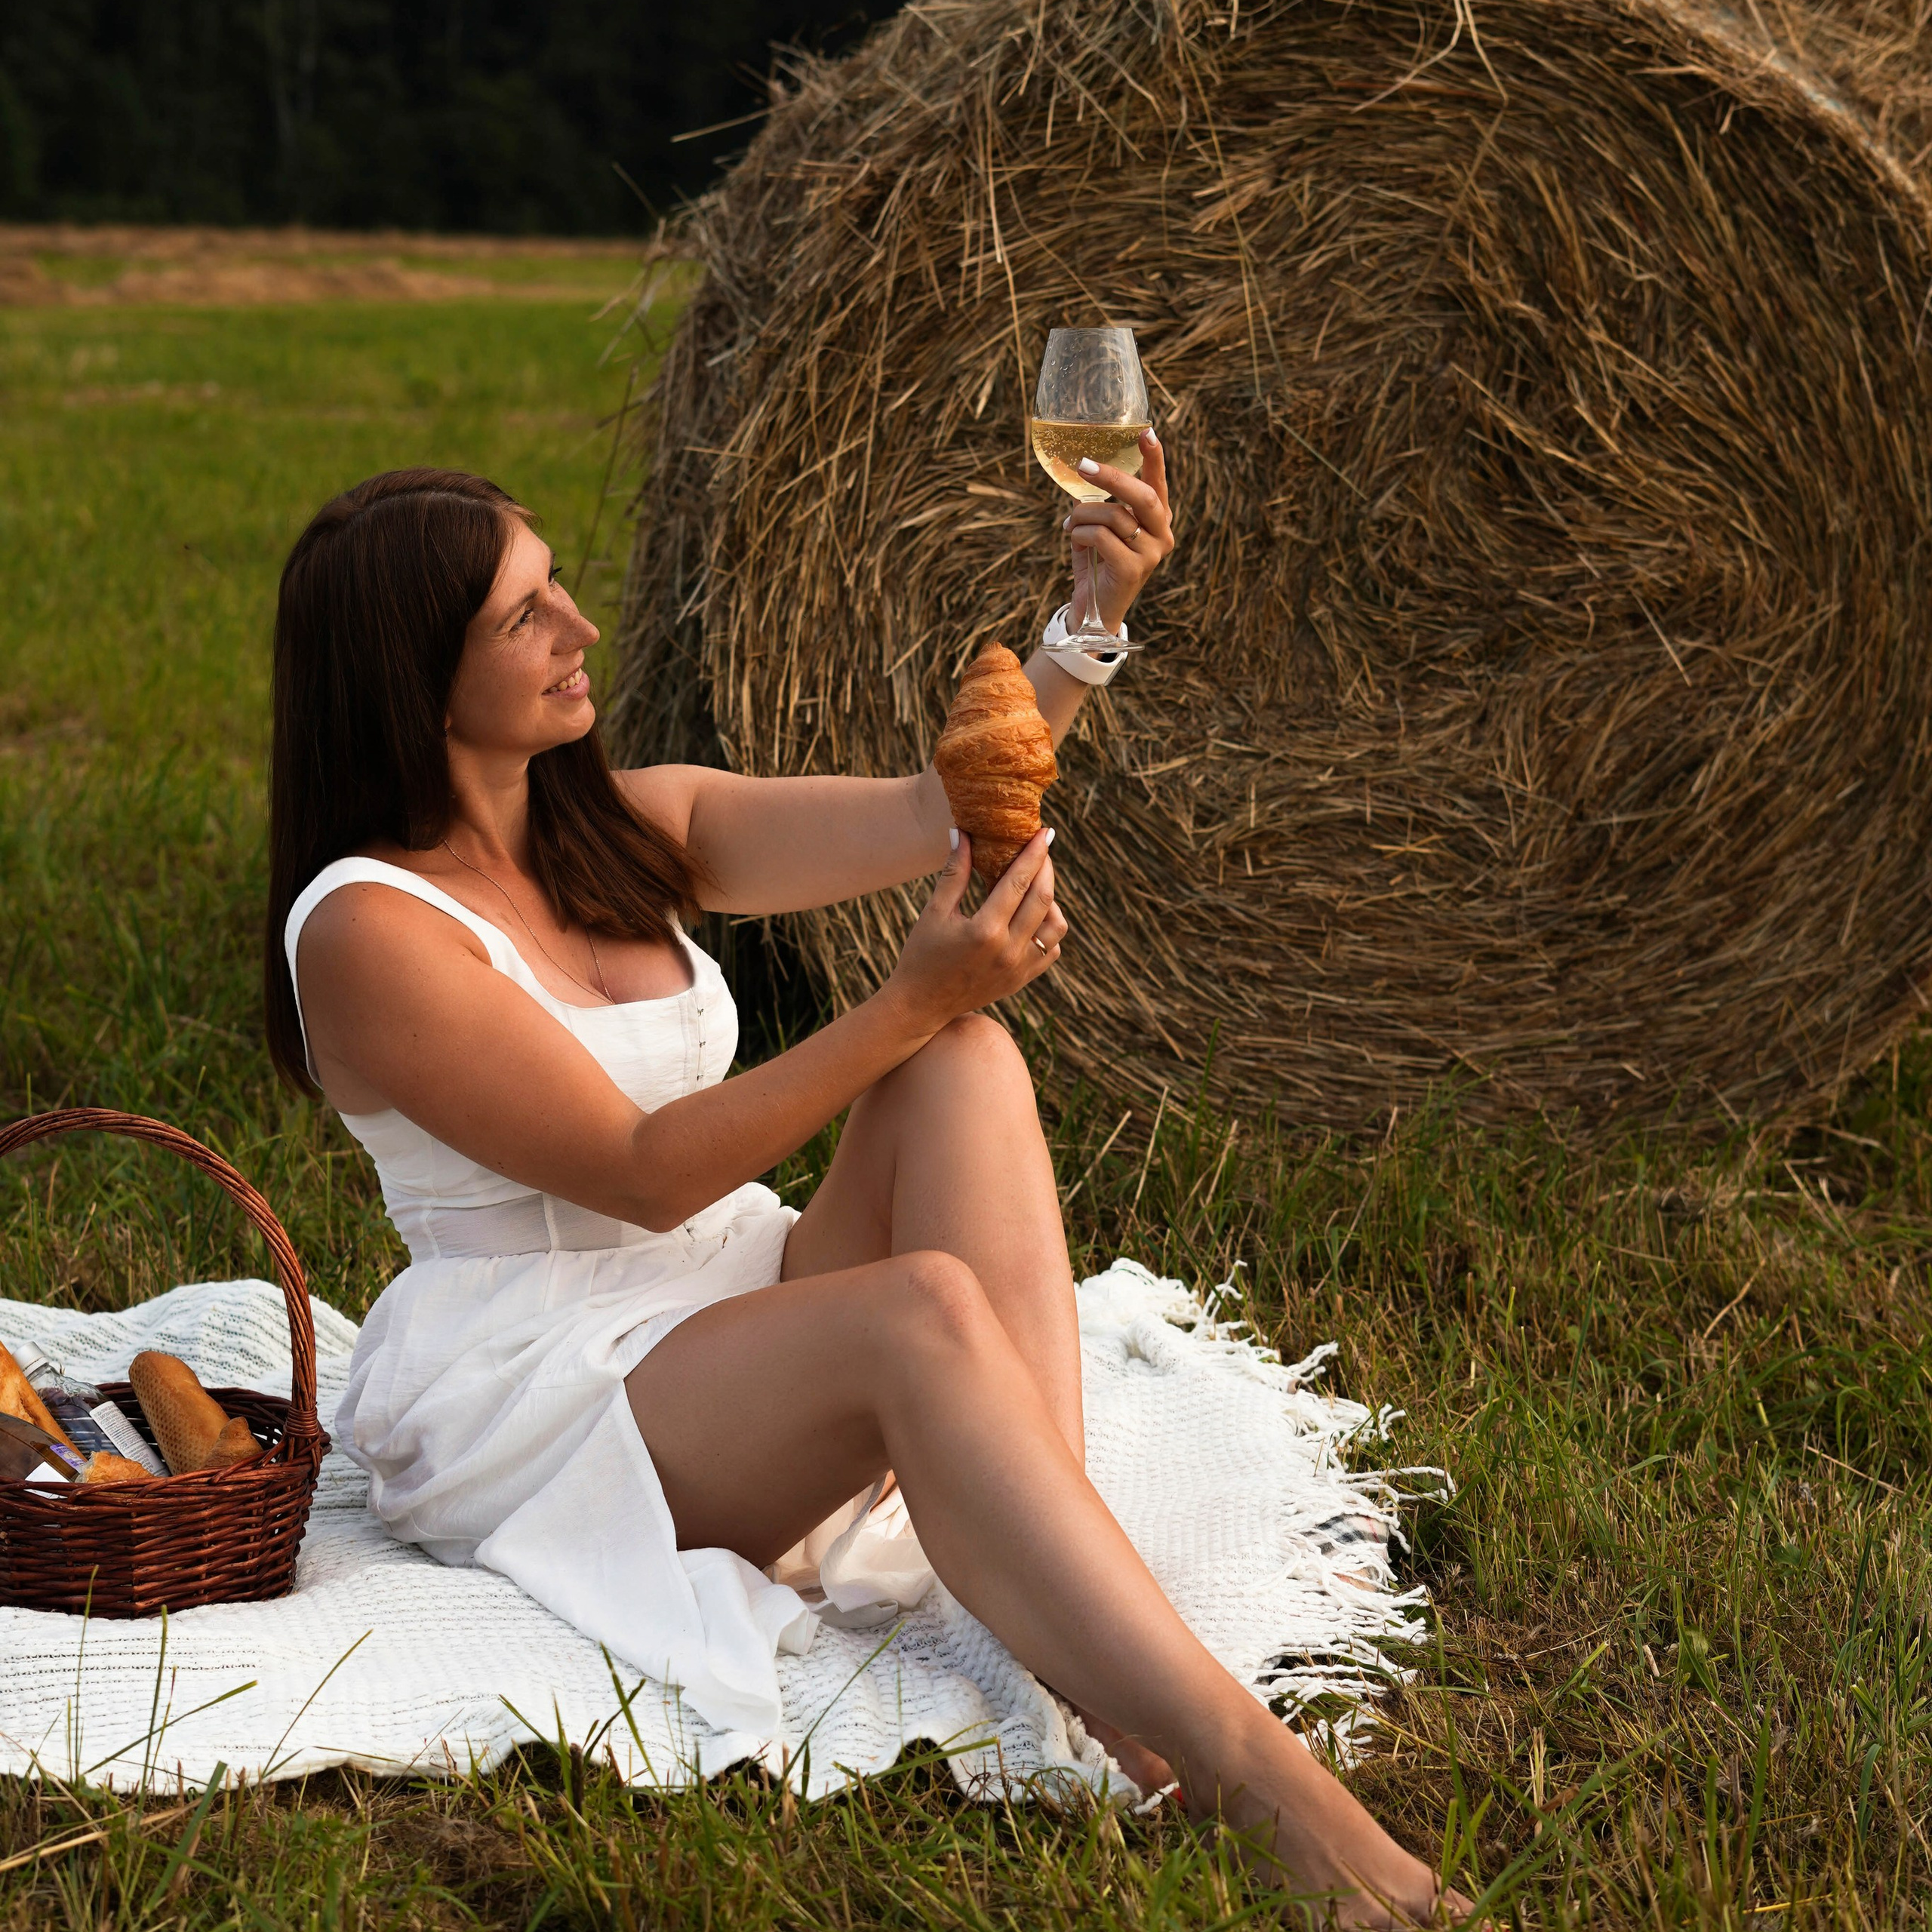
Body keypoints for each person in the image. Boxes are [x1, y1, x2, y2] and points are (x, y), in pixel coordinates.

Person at [265, 445, 1460, 1925]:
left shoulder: (620, 828)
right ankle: (1247, 1777)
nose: (579, 624)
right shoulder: (367, 931)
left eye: (559, 584)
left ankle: (1063, 1584)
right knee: (916, 1299)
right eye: (524, 615)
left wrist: (1085, 619)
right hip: (544, 1385)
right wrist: (895, 998)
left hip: (708, 1296)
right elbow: (642, 1174)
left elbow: (937, 805)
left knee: (961, 1063)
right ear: (410, 678)